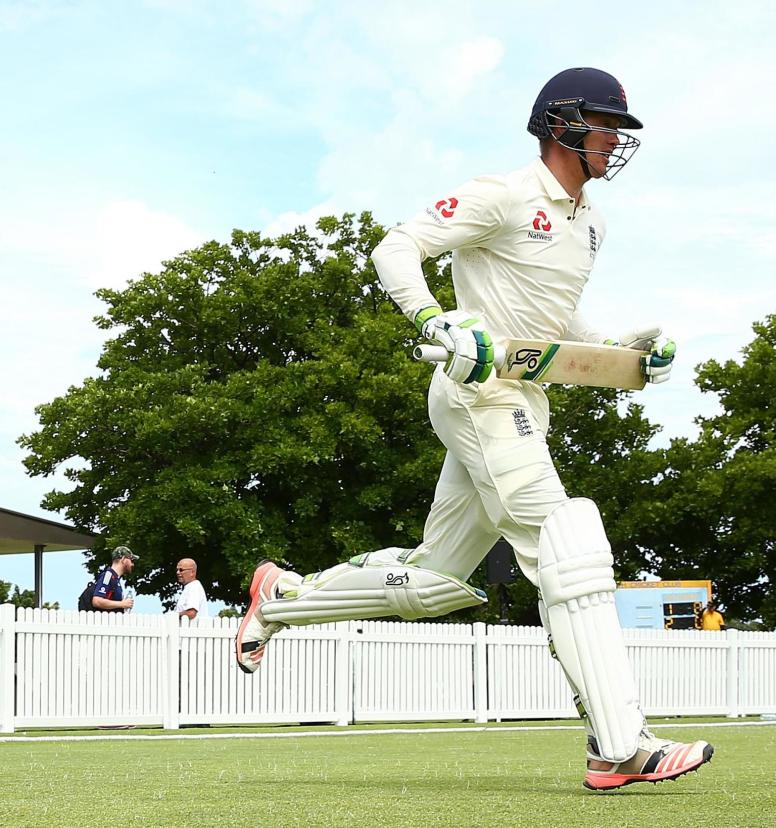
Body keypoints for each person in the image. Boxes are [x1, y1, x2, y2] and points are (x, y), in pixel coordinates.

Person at [234, 67, 711, 790]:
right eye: (608, 126)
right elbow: (395, 248)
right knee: (567, 542)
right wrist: (435, 319)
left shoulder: (592, 223)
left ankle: (281, 599)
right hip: (479, 393)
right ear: (563, 124)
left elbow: (554, 325)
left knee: (433, 580)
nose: (618, 141)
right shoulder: (504, 194)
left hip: (523, 399)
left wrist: (625, 351)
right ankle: (619, 745)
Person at [90, 546, 137, 612]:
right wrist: (122, 604)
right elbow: (97, 601)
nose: (132, 564)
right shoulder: (108, 576)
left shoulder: (115, 578)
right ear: (123, 559)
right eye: (131, 560)